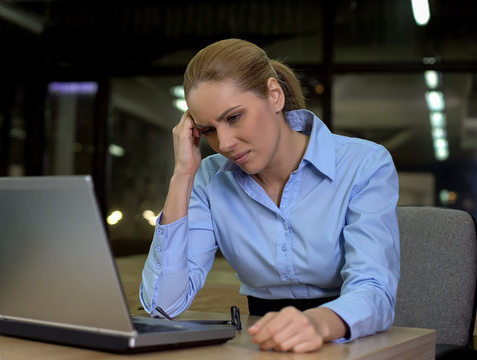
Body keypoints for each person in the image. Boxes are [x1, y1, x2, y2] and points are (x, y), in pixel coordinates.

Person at [139, 38, 400, 353]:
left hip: (349, 342)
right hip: (262, 345)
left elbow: (375, 290)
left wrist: (316, 324)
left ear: (274, 95)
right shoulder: (209, 179)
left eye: (234, 117)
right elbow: (162, 305)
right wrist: (182, 174)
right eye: (208, 130)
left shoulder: (363, 164)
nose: (225, 143)